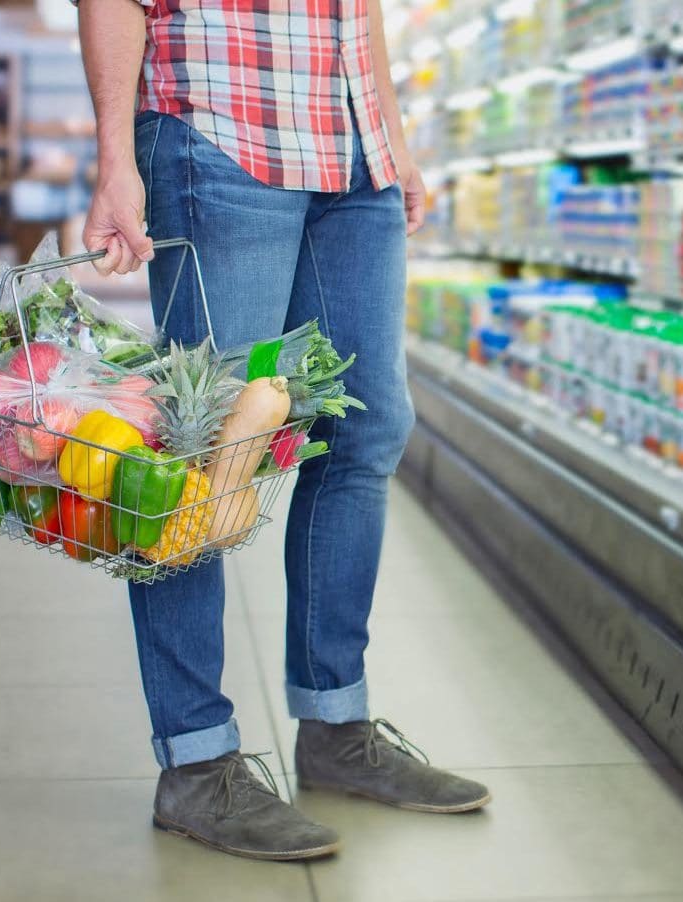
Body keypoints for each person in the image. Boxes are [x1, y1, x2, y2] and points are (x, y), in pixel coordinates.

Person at [75, 0, 491, 861]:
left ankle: (335, 726)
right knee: (198, 457)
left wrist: (395, 143)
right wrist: (115, 156)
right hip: (219, 130)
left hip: (355, 152)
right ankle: (195, 763)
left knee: (363, 431)